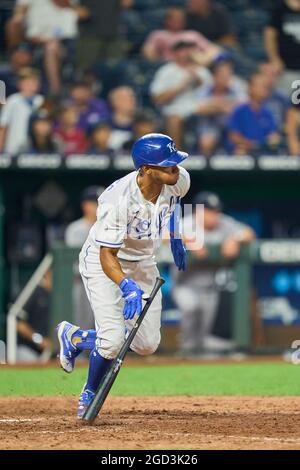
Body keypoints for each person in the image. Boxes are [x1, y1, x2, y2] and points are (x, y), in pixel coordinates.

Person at [56, 133, 190, 418]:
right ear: (146, 170)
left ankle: (76, 337)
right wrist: (125, 286)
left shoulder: (178, 178)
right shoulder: (117, 201)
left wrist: (176, 235)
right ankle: (89, 391)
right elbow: (107, 256)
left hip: (143, 263)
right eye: (167, 165)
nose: (175, 168)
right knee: (113, 340)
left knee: (146, 344)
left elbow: (177, 200)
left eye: (175, 162)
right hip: (105, 264)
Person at [173, 191, 255, 356]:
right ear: (198, 211)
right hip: (185, 284)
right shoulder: (186, 223)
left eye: (217, 211)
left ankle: (200, 364)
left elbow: (248, 233)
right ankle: (185, 354)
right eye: (210, 211)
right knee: (191, 308)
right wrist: (187, 239)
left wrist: (236, 238)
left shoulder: (224, 223)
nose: (215, 215)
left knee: (204, 334)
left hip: (210, 287)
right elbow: (164, 236)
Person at [6, 0, 89, 94]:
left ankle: (55, 91)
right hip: (32, 40)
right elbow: (18, 16)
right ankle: (14, 90)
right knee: (21, 56)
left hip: (63, 41)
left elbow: (84, 14)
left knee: (51, 48)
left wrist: (65, 3)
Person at [150, 40, 212, 148]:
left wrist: (198, 81)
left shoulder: (201, 70)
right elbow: (157, 98)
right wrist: (180, 87)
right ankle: (176, 156)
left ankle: (212, 154)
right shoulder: (166, 71)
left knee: (219, 109)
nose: (186, 53)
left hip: (197, 106)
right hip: (174, 107)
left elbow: (212, 93)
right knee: (174, 119)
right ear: (175, 53)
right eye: (182, 50)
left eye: (189, 50)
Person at [65, 186, 105, 330]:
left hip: (104, 280)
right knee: (81, 322)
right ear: (86, 205)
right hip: (81, 281)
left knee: (103, 323)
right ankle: (80, 351)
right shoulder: (75, 229)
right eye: (96, 203)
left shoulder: (107, 226)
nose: (99, 207)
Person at [196, 59, 247, 156]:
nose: (227, 78)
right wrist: (224, 106)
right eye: (223, 75)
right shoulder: (205, 89)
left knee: (241, 146)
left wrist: (214, 105)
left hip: (233, 125)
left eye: (229, 75)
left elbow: (242, 107)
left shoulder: (237, 86)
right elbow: (200, 109)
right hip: (211, 124)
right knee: (206, 142)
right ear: (215, 76)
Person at [227, 73, 281, 156]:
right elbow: (233, 136)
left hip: (264, 151)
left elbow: (273, 135)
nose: (264, 89)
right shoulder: (239, 111)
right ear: (250, 88)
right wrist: (251, 145)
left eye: (265, 86)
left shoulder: (268, 113)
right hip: (245, 150)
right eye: (260, 86)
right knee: (239, 152)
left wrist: (269, 141)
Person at [142, 7, 221, 63]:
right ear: (167, 21)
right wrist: (155, 60)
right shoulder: (159, 34)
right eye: (174, 19)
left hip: (194, 65)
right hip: (171, 66)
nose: (178, 21)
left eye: (180, 19)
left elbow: (214, 50)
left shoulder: (192, 34)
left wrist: (204, 60)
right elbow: (148, 51)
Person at [76, 0, 133, 72]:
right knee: (87, 71)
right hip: (89, 34)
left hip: (113, 33)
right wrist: (74, 8)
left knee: (115, 70)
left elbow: (127, 3)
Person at [0, 67, 44, 154]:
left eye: (33, 82)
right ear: (19, 84)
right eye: (27, 82)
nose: (30, 85)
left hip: (36, 150)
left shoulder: (41, 101)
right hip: (13, 149)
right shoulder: (12, 100)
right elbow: (3, 126)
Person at [264, 0, 300, 95]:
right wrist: (274, 59)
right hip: (285, 69)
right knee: (286, 101)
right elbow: (269, 34)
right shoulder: (280, 8)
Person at [17, 270, 53, 362]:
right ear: (47, 273)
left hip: (53, 352)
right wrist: (39, 340)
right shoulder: (33, 292)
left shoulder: (59, 296)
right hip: (29, 349)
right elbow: (20, 325)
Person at [108, 86, 137, 151]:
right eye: (126, 98)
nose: (132, 100)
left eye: (133, 97)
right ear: (114, 102)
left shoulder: (141, 124)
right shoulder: (105, 124)